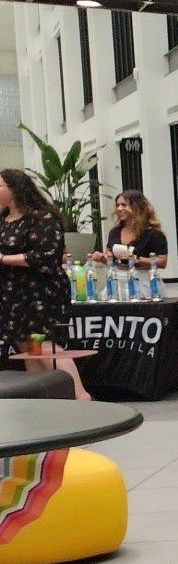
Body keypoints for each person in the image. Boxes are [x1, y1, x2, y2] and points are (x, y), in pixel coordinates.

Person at [0, 169, 85, 400]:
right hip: (11, 296)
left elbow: (45, 256)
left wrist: (4, 259)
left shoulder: (42, 218)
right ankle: (44, 401)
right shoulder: (3, 219)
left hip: (39, 294)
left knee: (44, 346)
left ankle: (80, 396)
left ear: (14, 189)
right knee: (29, 350)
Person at [88, 190, 169, 271]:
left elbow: (162, 262)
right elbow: (110, 258)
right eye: (117, 205)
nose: (119, 208)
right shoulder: (114, 232)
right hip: (117, 276)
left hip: (143, 277)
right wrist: (102, 257)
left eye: (124, 205)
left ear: (137, 207)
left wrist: (136, 259)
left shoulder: (154, 234)